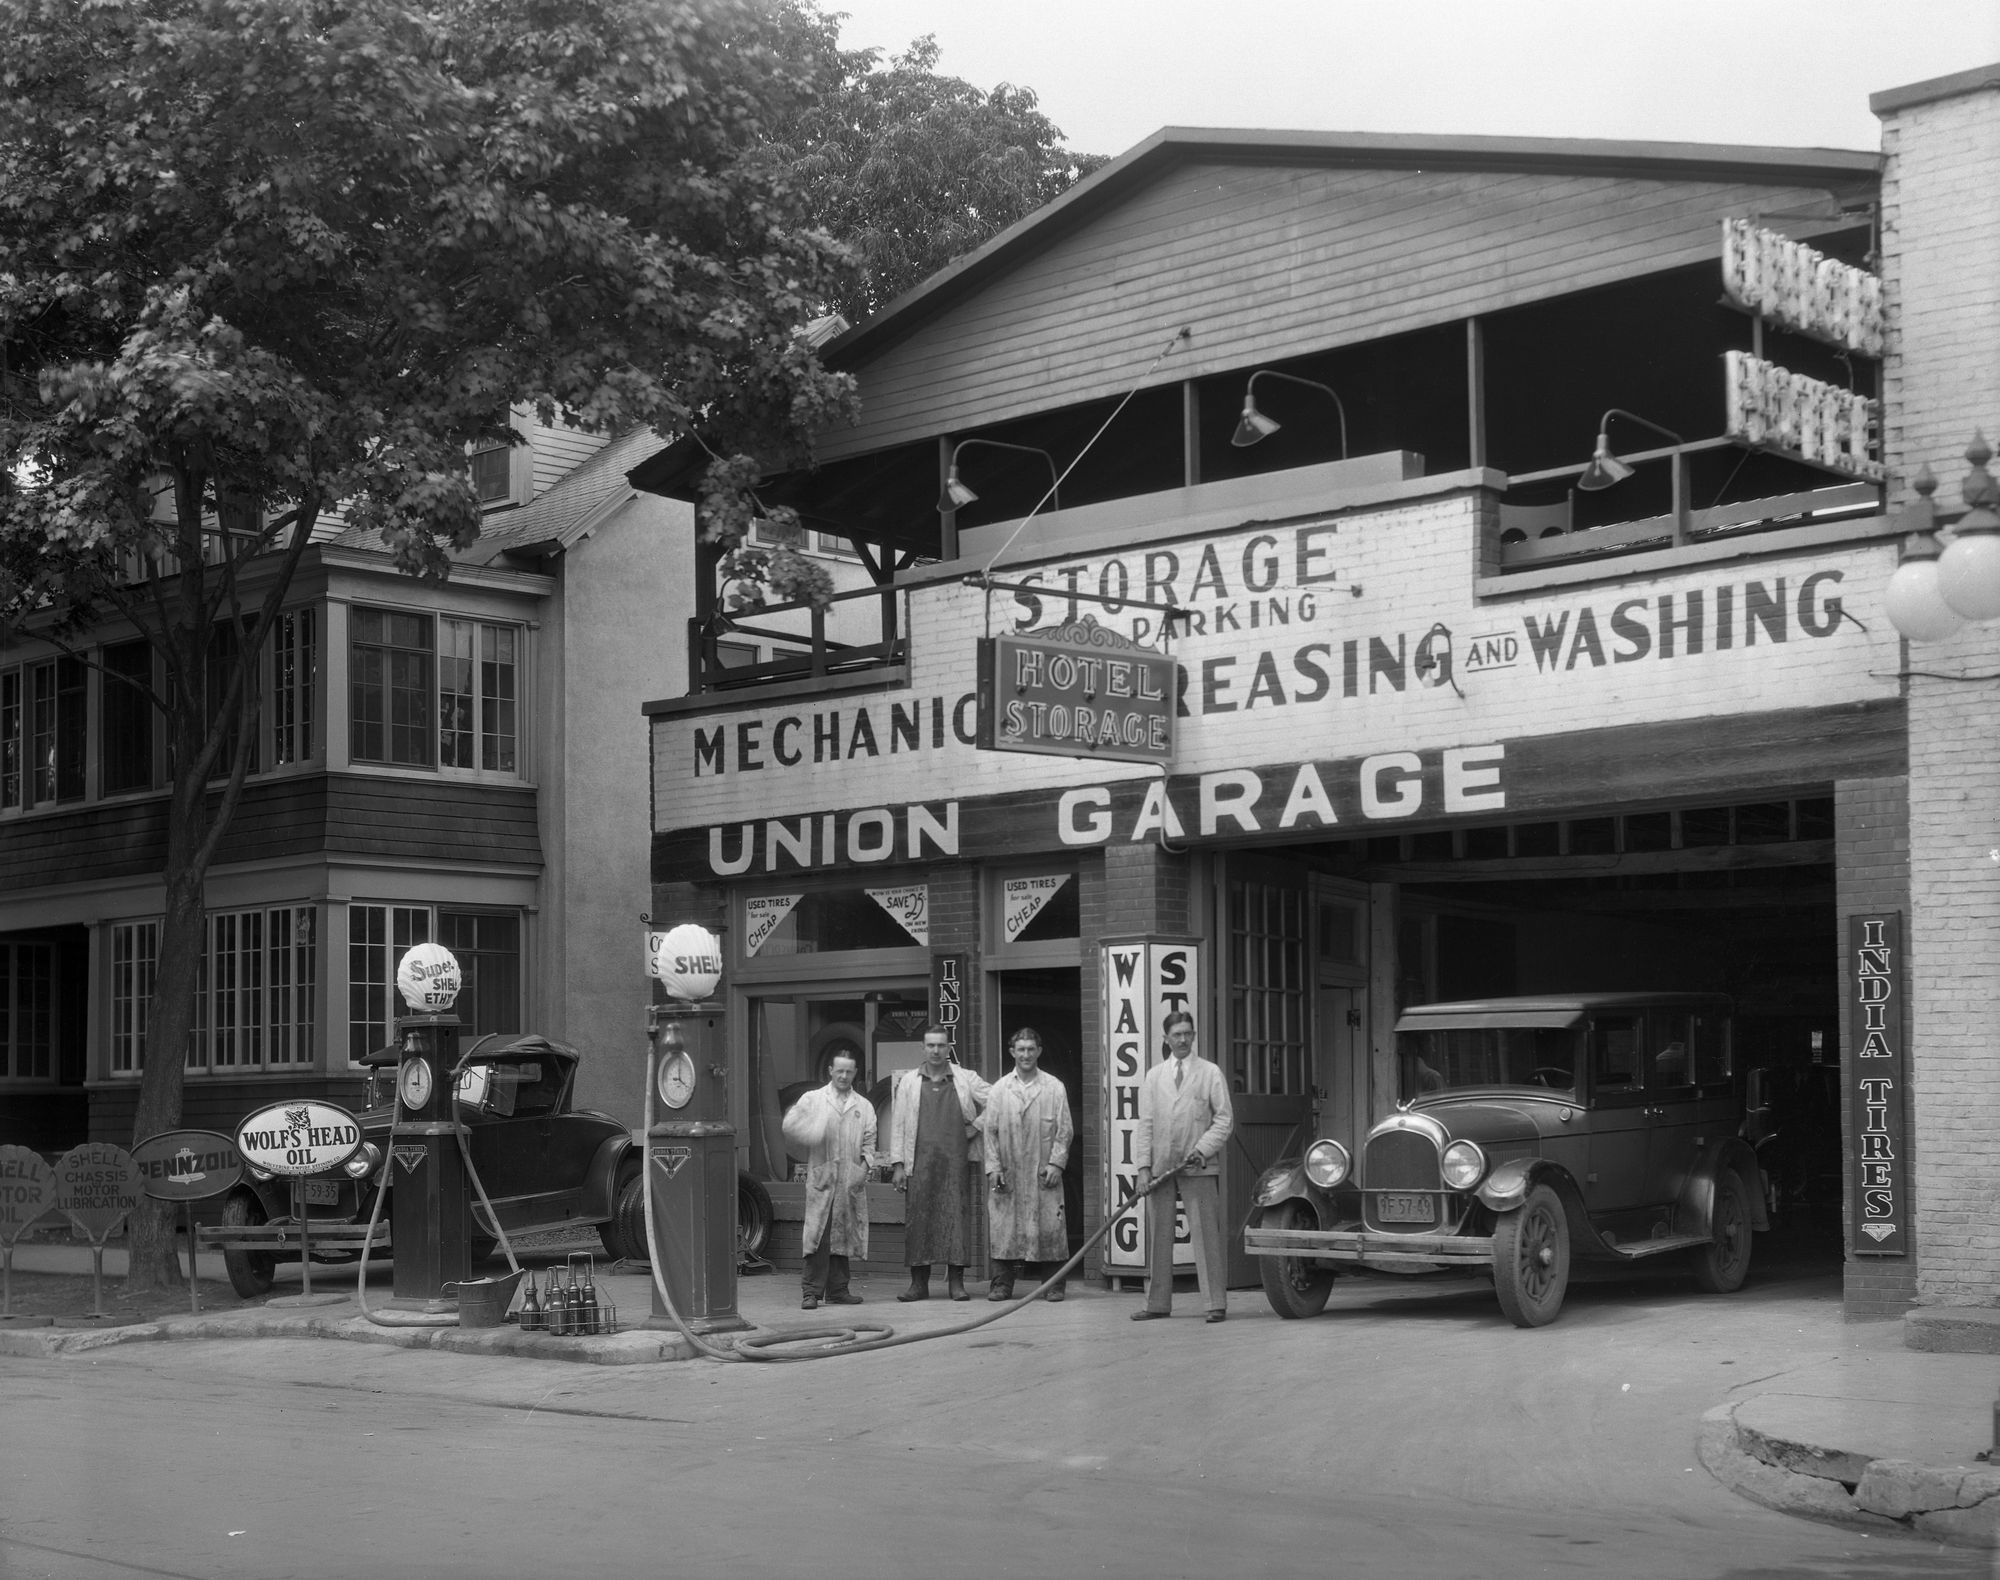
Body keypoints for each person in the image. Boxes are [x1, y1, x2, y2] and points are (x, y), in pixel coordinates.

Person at [1131, 1009, 1234, 1324]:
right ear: (1166, 1038)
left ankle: (1215, 1303)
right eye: (1176, 1034)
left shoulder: (1209, 1072)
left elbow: (1225, 1119)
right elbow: (1145, 1124)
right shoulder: (1154, 1075)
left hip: (1198, 1165)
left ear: (1193, 1035)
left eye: (1188, 1033)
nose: (1183, 1039)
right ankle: (1157, 1303)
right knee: (1159, 1235)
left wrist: (1203, 1148)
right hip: (1162, 1166)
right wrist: (1144, 1168)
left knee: (1205, 1234)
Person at [887, 1024, 990, 1301]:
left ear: (948, 1048)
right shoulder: (909, 1082)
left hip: (955, 1163)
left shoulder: (964, 1078)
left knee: (956, 1220)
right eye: (930, 1045)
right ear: (923, 1048)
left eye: (941, 1045)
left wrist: (978, 1125)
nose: (935, 1050)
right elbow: (897, 1125)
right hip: (919, 1164)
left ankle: (956, 1284)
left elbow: (998, 1098)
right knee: (919, 1221)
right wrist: (897, 1165)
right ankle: (918, 1285)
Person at [980, 1027, 1076, 1302]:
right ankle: (1001, 1284)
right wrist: (994, 1167)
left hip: (1042, 1170)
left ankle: (1054, 1284)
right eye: (1020, 1049)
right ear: (1012, 1052)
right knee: (1004, 1228)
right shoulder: (1000, 1089)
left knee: (1050, 1228)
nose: (1026, 1055)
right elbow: (990, 1131)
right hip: (1008, 1172)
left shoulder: (1054, 1087)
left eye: (1030, 1049)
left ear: (1039, 1051)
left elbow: (1065, 1130)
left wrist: (1057, 1164)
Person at [780, 1051, 874, 1311]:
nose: (844, 1076)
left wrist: (863, 1168)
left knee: (843, 1234)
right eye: (839, 1071)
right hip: (823, 1177)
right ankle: (811, 1292)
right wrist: (814, 1130)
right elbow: (789, 1124)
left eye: (849, 1071)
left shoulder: (863, 1106)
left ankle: (838, 1290)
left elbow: (870, 1142)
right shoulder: (813, 1099)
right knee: (817, 1236)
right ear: (830, 1070)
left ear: (855, 1073)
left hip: (849, 1179)